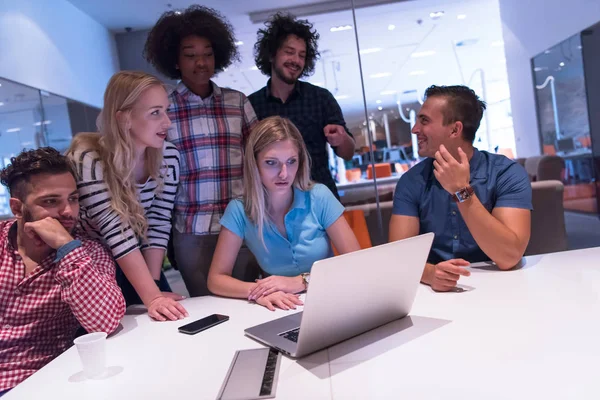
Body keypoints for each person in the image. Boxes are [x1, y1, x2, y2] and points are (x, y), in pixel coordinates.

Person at [144, 5, 259, 297]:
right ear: (175, 59)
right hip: (191, 229)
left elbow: (259, 158)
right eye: (190, 54)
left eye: (207, 53)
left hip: (242, 226)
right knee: (207, 308)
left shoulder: (238, 102)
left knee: (250, 302)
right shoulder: (163, 107)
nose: (201, 62)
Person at [0, 148, 126, 395]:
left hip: (41, 382)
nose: (68, 211)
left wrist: (66, 248)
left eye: (73, 198)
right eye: (51, 201)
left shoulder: (88, 253)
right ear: (17, 208)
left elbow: (106, 323)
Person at [66, 71, 188, 322]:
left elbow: (159, 220)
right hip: (95, 262)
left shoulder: (169, 156)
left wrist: (153, 286)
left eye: (166, 110)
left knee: (161, 318)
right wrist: (152, 297)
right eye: (155, 113)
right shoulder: (88, 159)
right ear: (124, 119)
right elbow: (114, 228)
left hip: (136, 255)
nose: (167, 123)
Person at [207, 117, 360, 311]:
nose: (284, 174)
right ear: (254, 164)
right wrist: (260, 291)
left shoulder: (319, 196)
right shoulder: (239, 210)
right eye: (272, 163)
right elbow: (216, 279)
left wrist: (302, 281)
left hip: (334, 299)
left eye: (291, 161)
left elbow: (356, 262)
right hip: (281, 308)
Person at [389, 85, 532, 292]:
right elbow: (397, 256)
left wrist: (461, 191)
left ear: (455, 129)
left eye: (424, 121)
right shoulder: (411, 181)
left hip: (504, 288)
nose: (414, 129)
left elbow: (509, 257)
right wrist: (429, 273)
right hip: (434, 294)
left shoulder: (506, 173)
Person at [249, 13, 355, 199]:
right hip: (272, 206)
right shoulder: (251, 105)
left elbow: (348, 153)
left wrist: (341, 138)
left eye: (302, 55)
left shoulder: (321, 98)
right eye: (289, 52)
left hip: (321, 202)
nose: (296, 60)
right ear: (272, 54)